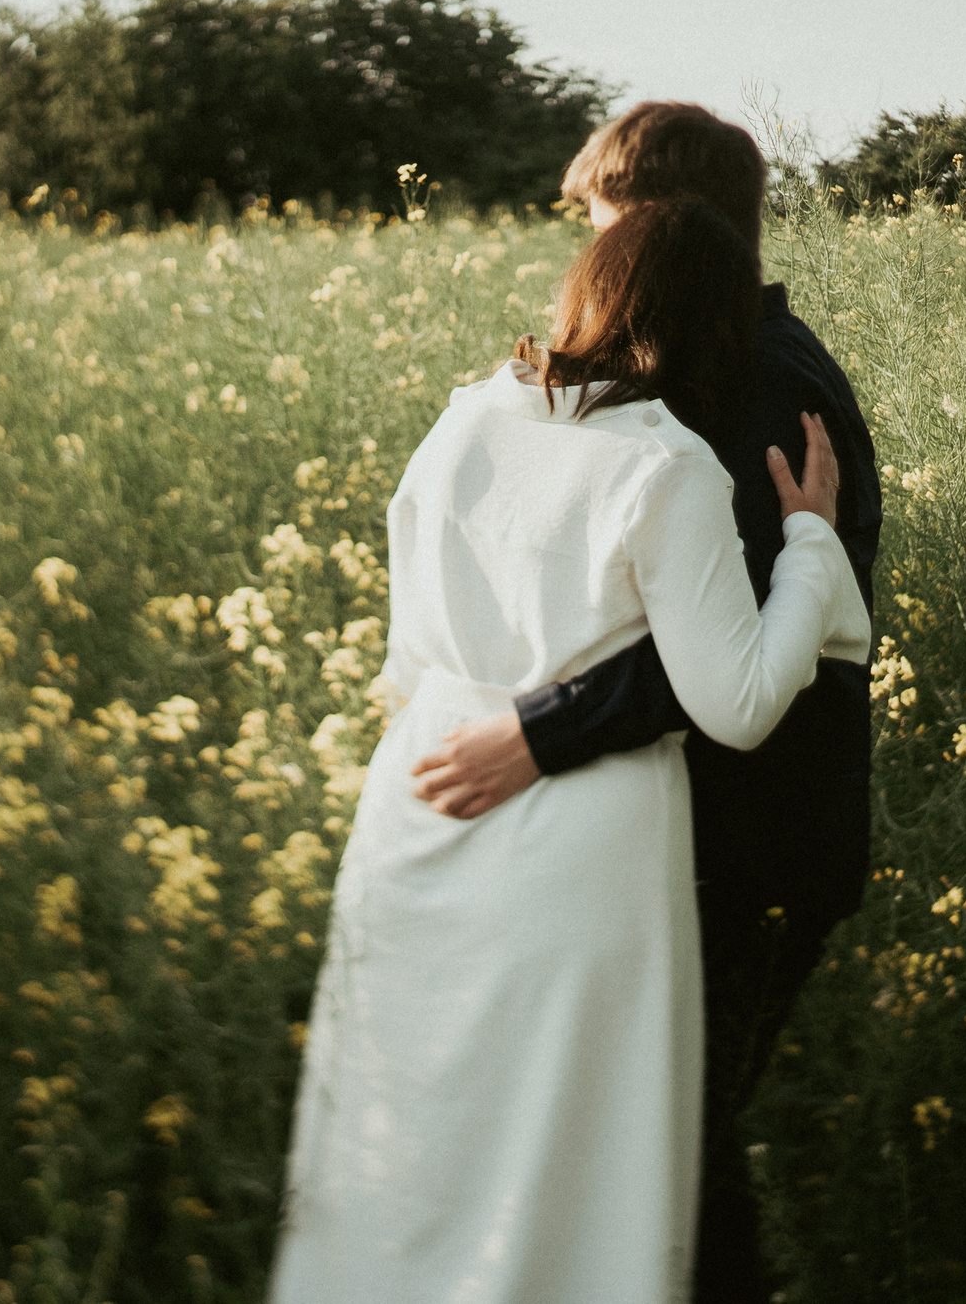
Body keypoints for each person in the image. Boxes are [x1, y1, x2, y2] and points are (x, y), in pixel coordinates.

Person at [270, 196, 872, 1304]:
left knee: (414, 1143)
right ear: (717, 331)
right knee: (561, 1168)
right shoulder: (667, 464)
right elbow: (736, 702)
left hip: (419, 804)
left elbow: (409, 654)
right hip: (573, 845)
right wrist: (808, 547)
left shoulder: (464, 419)